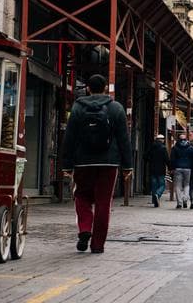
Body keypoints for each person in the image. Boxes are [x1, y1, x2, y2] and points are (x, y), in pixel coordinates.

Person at [61, 74, 132, 254]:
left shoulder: (77, 107)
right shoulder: (116, 108)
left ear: (87, 89)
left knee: (81, 196)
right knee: (103, 203)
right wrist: (127, 166)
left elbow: (69, 138)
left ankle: (85, 229)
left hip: (83, 162)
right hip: (109, 163)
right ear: (106, 89)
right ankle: (98, 245)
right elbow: (124, 139)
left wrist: (67, 166)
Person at [170, 133, 193, 208]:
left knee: (178, 186)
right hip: (188, 168)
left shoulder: (175, 148)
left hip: (178, 168)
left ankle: (179, 203)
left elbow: (172, 159)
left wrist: (171, 168)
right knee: (187, 185)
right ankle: (185, 199)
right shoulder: (190, 148)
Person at [146, 134, 169, 208]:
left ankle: (154, 201)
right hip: (161, 169)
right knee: (162, 185)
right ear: (162, 140)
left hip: (152, 168)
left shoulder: (152, 147)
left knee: (154, 185)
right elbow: (167, 159)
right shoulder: (163, 148)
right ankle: (158, 194)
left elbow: (145, 156)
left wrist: (150, 161)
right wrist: (170, 167)